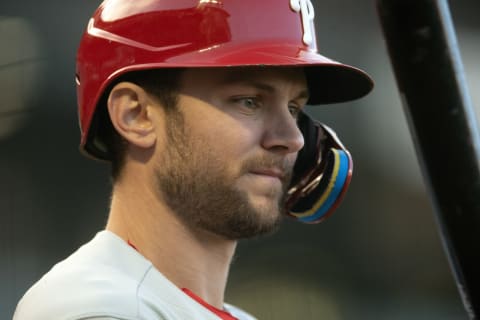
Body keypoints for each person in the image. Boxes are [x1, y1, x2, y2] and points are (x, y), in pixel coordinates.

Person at [14, 0, 373, 319]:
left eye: (294, 107)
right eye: (249, 101)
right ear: (135, 116)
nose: (293, 138)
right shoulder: (91, 307)